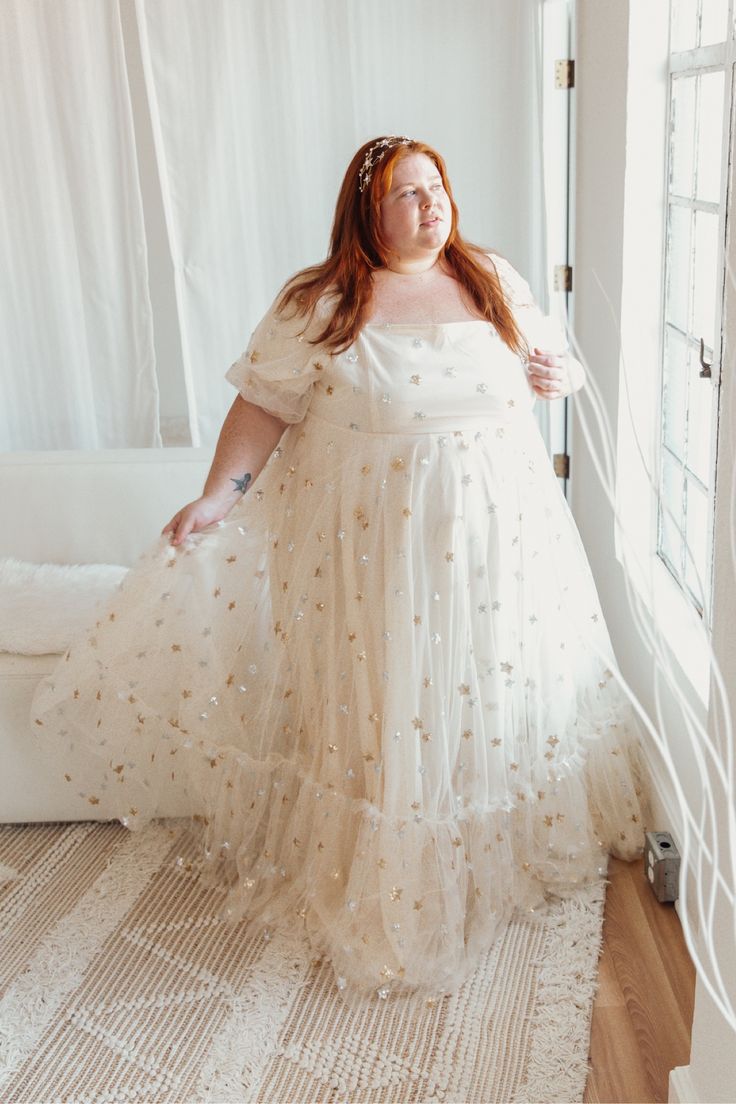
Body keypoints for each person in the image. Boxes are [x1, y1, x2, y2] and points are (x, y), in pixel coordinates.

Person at [31, 135, 653, 1009]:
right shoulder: (322, 303)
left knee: (486, 698)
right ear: (367, 212)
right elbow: (261, 407)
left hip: (500, 548)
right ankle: (398, 896)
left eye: (436, 187)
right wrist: (219, 496)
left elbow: (556, 372)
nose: (430, 205)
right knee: (398, 717)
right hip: (380, 559)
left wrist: (565, 374)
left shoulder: (492, 282)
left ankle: (486, 858)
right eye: (407, 194)